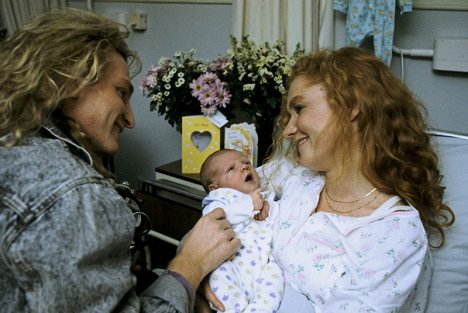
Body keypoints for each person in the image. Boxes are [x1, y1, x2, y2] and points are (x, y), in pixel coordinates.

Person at [0, 9, 240, 313]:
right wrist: (188, 267)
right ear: (71, 80)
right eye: (121, 92)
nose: (130, 119)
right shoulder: (74, 193)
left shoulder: (14, 142)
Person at [199, 47, 454, 312]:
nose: (288, 130)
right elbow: (219, 201)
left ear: (351, 106)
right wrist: (206, 272)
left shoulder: (395, 234)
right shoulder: (292, 174)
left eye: (299, 108)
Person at [199, 149, 284, 313]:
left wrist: (269, 206)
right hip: (230, 263)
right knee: (219, 282)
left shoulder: (265, 194)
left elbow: (282, 218)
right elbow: (213, 222)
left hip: (265, 260)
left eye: (246, 163)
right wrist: (249, 205)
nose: (244, 167)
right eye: (231, 168)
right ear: (214, 187)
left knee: (275, 280)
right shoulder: (219, 200)